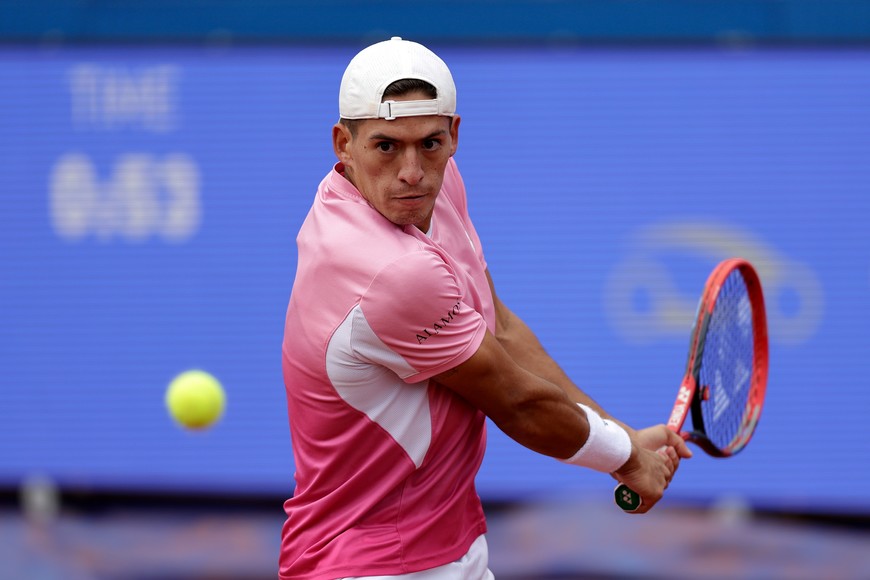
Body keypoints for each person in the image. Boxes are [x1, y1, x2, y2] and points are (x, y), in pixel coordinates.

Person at [280, 37, 692, 580]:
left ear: (453, 135)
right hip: (372, 564)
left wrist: (622, 435)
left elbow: (501, 330)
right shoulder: (392, 272)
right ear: (344, 144)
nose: (411, 171)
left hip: (446, 544)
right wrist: (628, 458)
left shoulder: (434, 189)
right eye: (387, 146)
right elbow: (517, 403)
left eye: (430, 143)